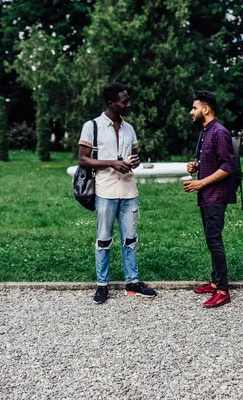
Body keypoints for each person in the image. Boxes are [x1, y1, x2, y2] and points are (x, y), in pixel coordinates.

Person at [78, 82, 157, 304]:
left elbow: (133, 155)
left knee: (130, 239)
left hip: (129, 190)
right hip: (105, 191)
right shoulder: (91, 126)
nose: (128, 105)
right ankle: (102, 285)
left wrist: (134, 161)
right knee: (103, 239)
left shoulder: (129, 128)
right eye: (124, 101)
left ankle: (132, 282)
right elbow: (83, 159)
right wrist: (112, 163)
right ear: (112, 103)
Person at [185, 90, 236, 308]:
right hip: (206, 195)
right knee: (210, 238)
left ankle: (223, 290)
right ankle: (215, 282)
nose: (191, 112)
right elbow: (213, 161)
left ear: (206, 109)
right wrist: (196, 166)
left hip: (216, 195)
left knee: (214, 240)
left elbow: (227, 166)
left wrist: (201, 182)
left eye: (194, 107)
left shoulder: (219, 132)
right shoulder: (206, 132)